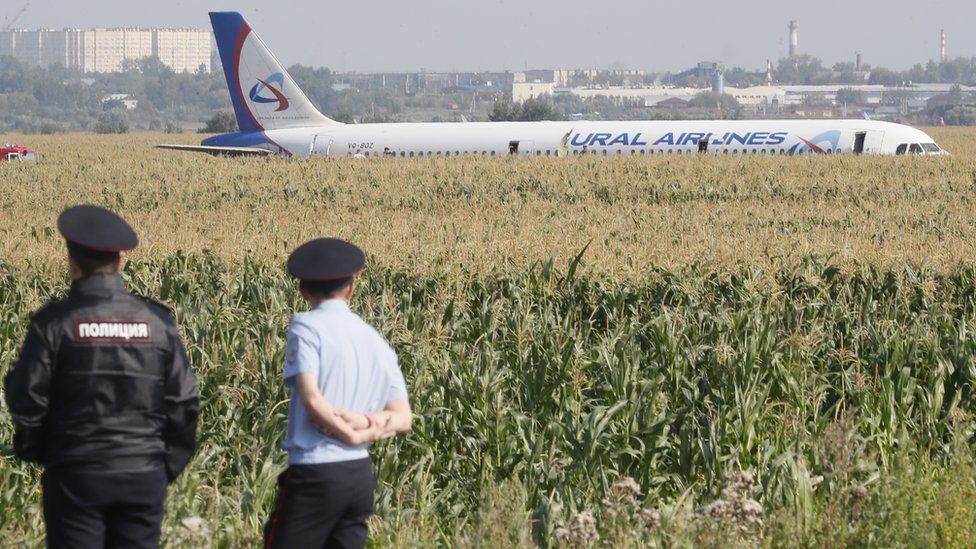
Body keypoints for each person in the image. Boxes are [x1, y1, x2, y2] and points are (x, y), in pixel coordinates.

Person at [4, 204, 200, 549]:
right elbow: (184, 402)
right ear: (121, 262)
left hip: (76, 472)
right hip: (142, 472)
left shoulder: (54, 323)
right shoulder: (156, 322)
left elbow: (26, 396)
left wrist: (43, 451)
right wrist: (165, 464)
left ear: (72, 262)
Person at [264, 238, 412, 549]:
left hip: (315, 471)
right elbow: (403, 417)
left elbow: (312, 399)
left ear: (303, 291)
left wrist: (349, 432)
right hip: (358, 476)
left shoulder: (306, 327)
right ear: (351, 288)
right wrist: (363, 423)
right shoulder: (374, 340)